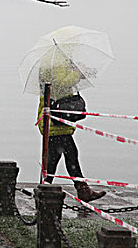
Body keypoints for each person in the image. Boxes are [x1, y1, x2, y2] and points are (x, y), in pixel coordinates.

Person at [38, 59, 106, 202]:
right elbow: (60, 84)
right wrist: (76, 73)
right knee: (66, 156)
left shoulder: (58, 62)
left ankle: (47, 188)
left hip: (56, 121)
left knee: (61, 157)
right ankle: (77, 190)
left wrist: (79, 71)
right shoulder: (53, 64)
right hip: (55, 121)